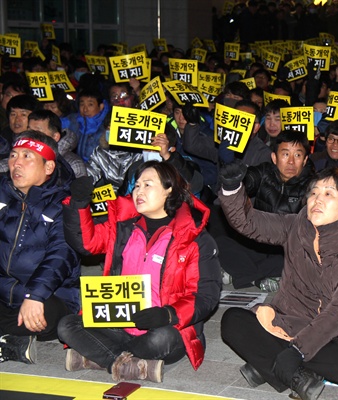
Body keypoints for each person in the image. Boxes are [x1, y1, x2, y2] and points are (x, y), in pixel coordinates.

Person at [219, 166, 338, 400]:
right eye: (313, 193)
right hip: (290, 321)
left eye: (328, 194)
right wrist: (232, 189)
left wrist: (297, 350)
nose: (317, 200)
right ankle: (297, 377)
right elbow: (249, 222)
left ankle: (269, 363)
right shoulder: (294, 226)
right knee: (232, 321)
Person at [58, 161, 221, 382]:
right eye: (136, 186)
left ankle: (99, 356)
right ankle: (124, 362)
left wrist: (168, 314)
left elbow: (207, 295)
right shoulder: (123, 228)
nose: (138, 191)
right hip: (121, 323)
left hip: (162, 327)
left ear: (169, 190)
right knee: (67, 325)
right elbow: (85, 243)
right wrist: (78, 203)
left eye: (147, 185)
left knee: (162, 339)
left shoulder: (194, 239)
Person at [0, 130, 80, 364]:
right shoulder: (3, 196)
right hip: (6, 292)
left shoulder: (65, 203)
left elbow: (61, 256)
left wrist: (35, 295)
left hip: (50, 296)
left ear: (48, 168)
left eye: (27, 156)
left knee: (46, 317)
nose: (17, 163)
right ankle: (13, 341)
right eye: (14, 155)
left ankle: (13, 336)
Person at [216, 130, 315, 290]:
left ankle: (243, 273)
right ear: (274, 157)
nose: (291, 162)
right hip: (258, 242)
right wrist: (236, 181)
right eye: (285, 154)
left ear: (305, 160)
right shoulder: (264, 172)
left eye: (297, 155)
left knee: (296, 261)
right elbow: (249, 179)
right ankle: (258, 277)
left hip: (286, 249)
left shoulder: (314, 185)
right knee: (220, 243)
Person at [66, 88, 110, 163]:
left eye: (90, 105)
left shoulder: (108, 124)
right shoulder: (73, 120)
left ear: (101, 106)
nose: (85, 109)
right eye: (82, 104)